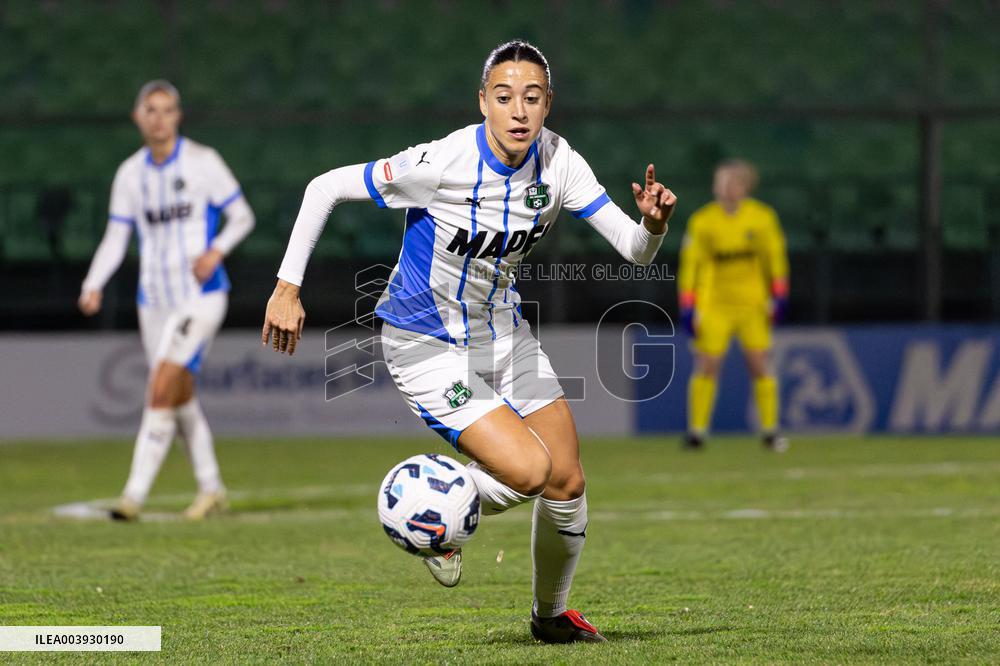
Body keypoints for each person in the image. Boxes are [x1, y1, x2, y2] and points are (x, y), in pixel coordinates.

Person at [262, 40, 675, 644]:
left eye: (532, 98)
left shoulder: (560, 161)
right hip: (424, 344)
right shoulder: (442, 163)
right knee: (531, 470)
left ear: (548, 104)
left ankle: (550, 616)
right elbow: (324, 187)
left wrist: (654, 225)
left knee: (567, 481)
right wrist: (286, 288)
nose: (518, 111)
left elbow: (635, 252)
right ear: (483, 102)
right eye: (504, 97)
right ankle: (426, 514)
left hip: (503, 333)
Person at [79, 80, 255, 520]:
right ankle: (212, 488)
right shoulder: (129, 174)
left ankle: (132, 498)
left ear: (178, 115)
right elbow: (116, 236)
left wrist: (216, 252)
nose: (159, 119)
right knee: (178, 396)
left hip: (201, 297)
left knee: (159, 388)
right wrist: (93, 283)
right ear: (138, 117)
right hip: (153, 301)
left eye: (167, 110)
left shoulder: (202, 162)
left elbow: (242, 216)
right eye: (150, 110)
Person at [677, 159, 789, 451]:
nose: (725, 187)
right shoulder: (702, 221)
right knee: (707, 365)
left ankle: (771, 431)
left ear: (745, 186)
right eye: (721, 181)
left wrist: (779, 294)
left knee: (760, 364)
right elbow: (691, 265)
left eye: (732, 182)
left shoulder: (762, 218)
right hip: (715, 305)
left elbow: (775, 258)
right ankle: (697, 432)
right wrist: (688, 303)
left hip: (752, 304)